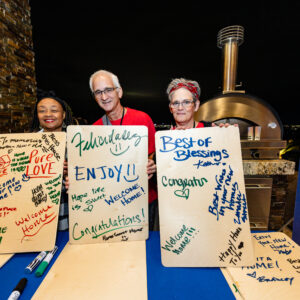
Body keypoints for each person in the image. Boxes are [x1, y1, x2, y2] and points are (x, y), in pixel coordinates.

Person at [90, 69, 158, 230]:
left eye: (108, 90)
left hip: (145, 200)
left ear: (119, 92)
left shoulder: (142, 119)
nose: (104, 97)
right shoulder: (94, 129)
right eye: (98, 92)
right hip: (111, 205)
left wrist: (152, 165)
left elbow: (154, 155)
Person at [31, 91, 74, 231]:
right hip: (39, 215)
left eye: (54, 110)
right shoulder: (28, 144)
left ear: (63, 115)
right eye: (42, 111)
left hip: (72, 212)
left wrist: (73, 171)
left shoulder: (78, 140)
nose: (48, 114)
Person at [166, 78, 233, 129]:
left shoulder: (210, 130)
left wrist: (226, 136)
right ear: (170, 108)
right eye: (175, 103)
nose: (180, 108)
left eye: (186, 102)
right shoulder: (165, 139)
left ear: (196, 105)